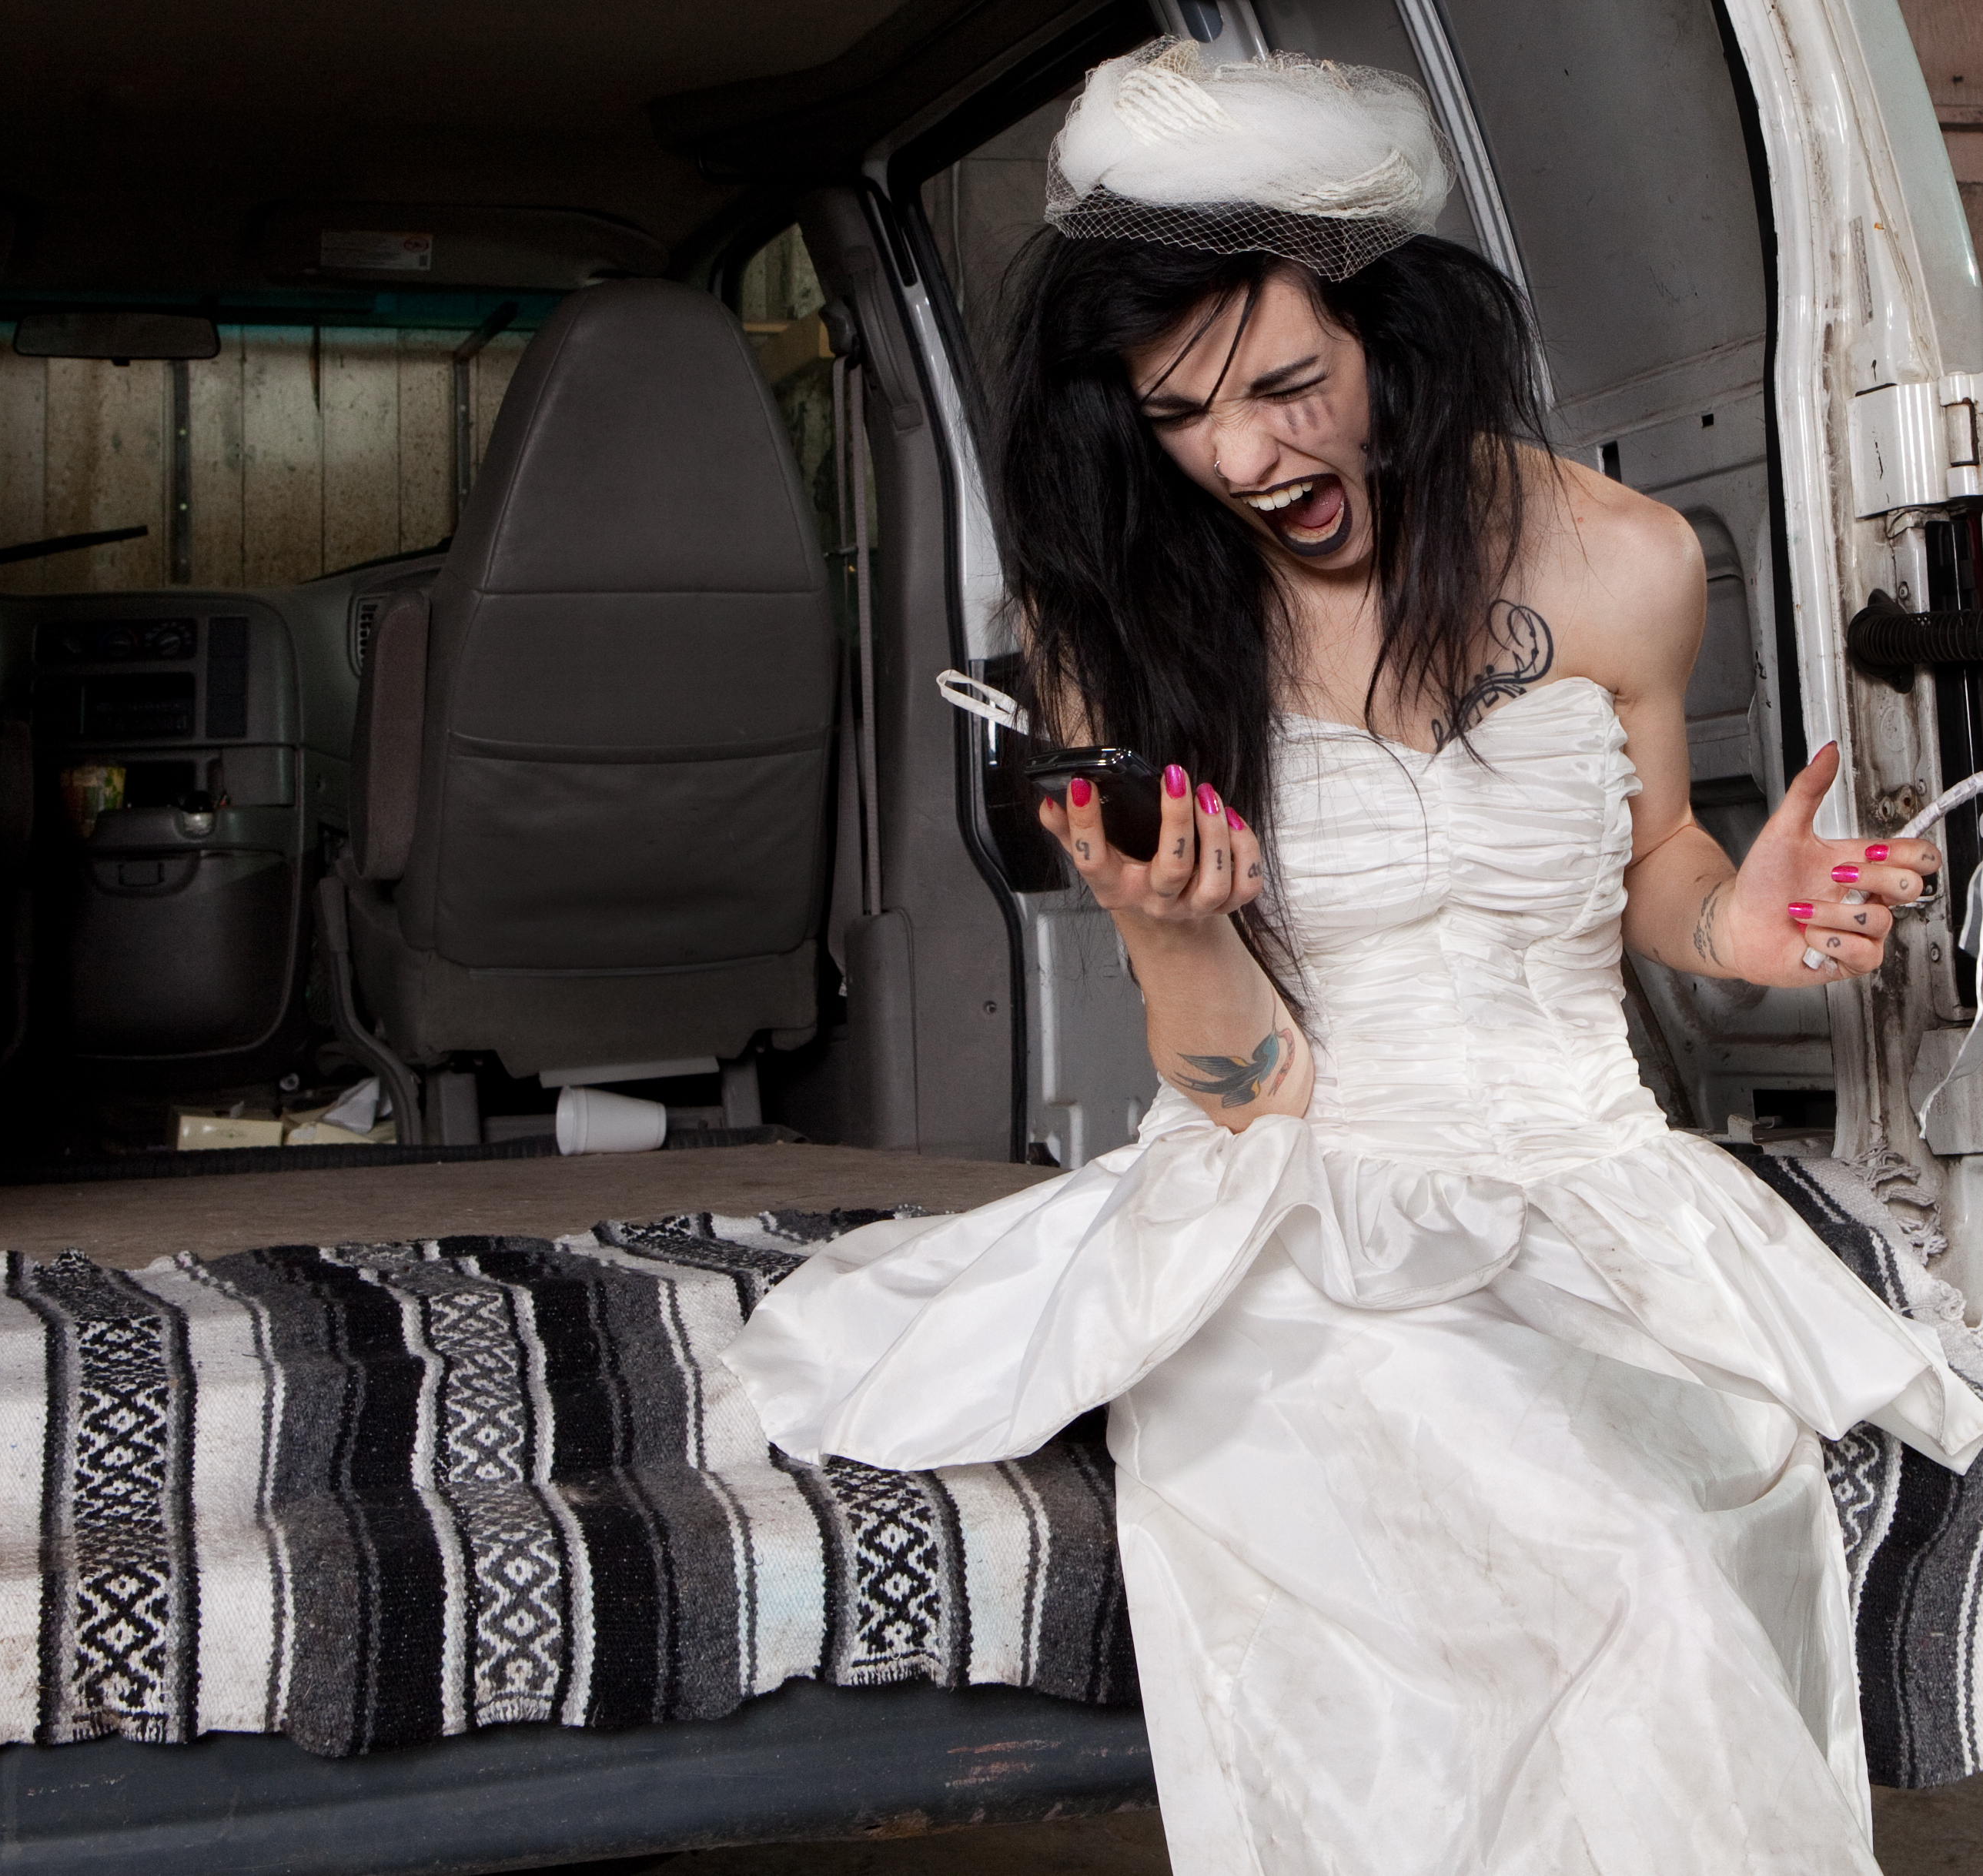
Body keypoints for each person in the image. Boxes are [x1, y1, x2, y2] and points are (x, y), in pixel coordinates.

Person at [724, 38, 1983, 1874]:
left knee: (1682, 1515)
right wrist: (1176, 933)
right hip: (1303, 1195)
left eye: (1288, 385)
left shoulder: (1628, 560)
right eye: (1178, 414)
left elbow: (1653, 870)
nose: (1244, 456)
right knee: (1549, 1548)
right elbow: (1248, 1087)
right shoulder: (1118, 630)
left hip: (1599, 1180)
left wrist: (1747, 925)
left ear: (1397, 329)